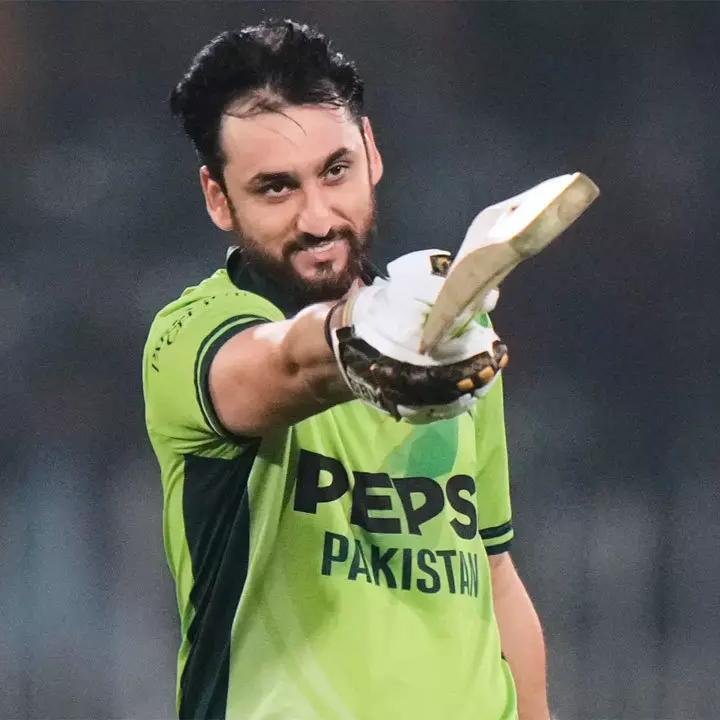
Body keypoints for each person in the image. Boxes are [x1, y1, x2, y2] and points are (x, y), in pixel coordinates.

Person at [143, 19, 550, 720]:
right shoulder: (193, 335)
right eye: (276, 188)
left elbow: (493, 568)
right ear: (218, 198)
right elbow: (290, 363)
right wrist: (362, 334)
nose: (318, 217)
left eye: (335, 171)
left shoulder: (454, 335)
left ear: (371, 151)